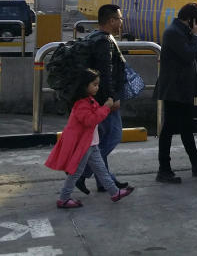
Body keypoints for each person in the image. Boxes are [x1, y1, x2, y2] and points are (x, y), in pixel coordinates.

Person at [46, 68, 134, 208]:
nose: (97, 87)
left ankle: (114, 192)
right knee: (76, 173)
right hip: (84, 144)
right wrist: (106, 107)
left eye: (97, 84)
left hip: (91, 144)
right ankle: (64, 198)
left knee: (100, 169)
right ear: (84, 86)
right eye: (94, 84)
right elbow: (90, 120)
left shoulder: (88, 100)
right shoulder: (82, 104)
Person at [154, 3, 197, 183]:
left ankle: (196, 162)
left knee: (185, 127)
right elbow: (188, 54)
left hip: (181, 88)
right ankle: (164, 169)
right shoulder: (174, 32)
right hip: (174, 88)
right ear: (190, 19)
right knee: (168, 129)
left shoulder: (180, 31)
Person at [76, 4, 129, 195]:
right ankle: (82, 173)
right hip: (103, 100)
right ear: (112, 20)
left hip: (96, 98)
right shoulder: (104, 42)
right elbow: (105, 73)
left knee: (101, 139)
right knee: (114, 136)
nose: (121, 22)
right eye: (120, 19)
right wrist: (112, 98)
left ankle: (104, 181)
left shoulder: (96, 37)